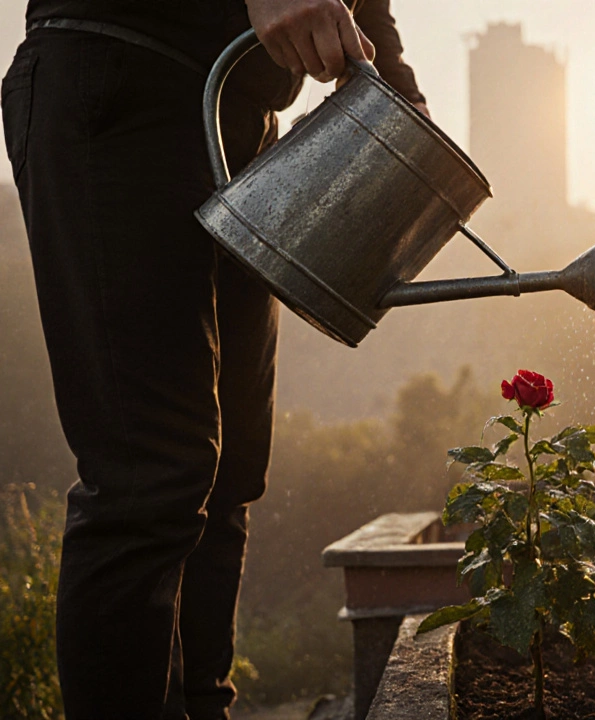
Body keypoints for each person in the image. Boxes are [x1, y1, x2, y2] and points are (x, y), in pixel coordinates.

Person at [1, 1, 425, 717]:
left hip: (241, 117)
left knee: (228, 476)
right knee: (150, 479)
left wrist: (401, 95)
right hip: (120, 67)